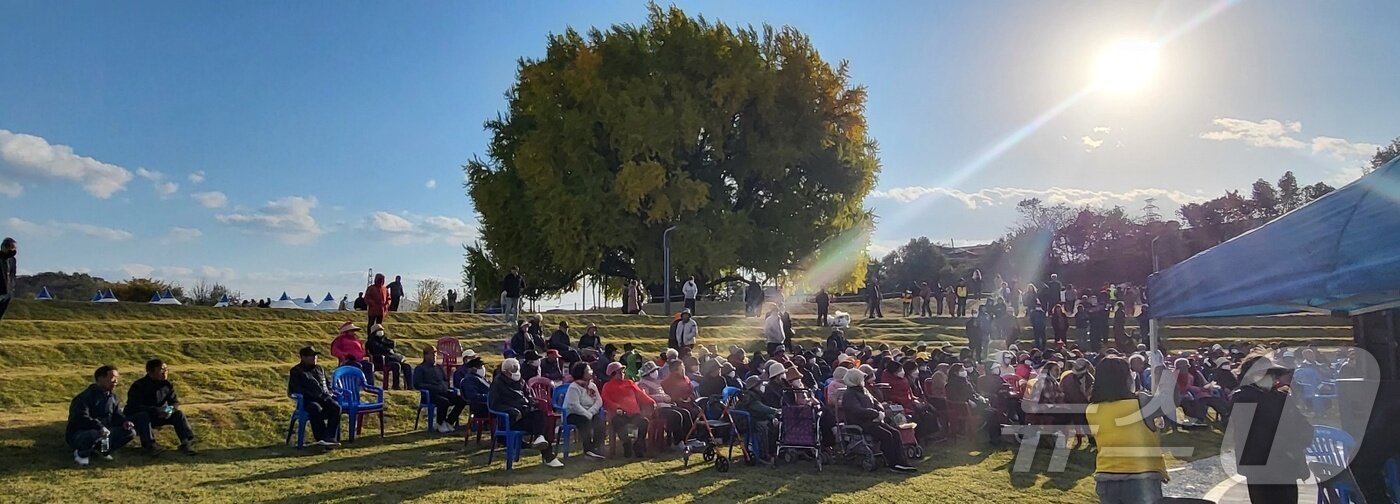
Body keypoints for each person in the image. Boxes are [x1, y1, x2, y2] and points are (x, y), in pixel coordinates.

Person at [1230, 355, 1311, 504]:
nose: (1275, 379)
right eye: (1270, 374)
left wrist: (1295, 446)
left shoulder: (1280, 397)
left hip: (1286, 465)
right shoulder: (1244, 398)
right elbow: (1253, 435)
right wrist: (1286, 447)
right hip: (1261, 468)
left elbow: (1304, 427)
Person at [1086, 356, 1167, 504]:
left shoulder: (1091, 409)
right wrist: (1161, 372)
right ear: (1126, 378)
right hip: (1142, 476)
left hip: (1106, 475)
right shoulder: (1140, 402)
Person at [488, 358, 563, 468]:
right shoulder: (497, 384)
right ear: (505, 371)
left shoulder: (521, 381)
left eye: (516, 368)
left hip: (525, 414)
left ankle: (541, 440)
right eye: (512, 369)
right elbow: (494, 405)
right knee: (541, 426)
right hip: (510, 420)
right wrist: (511, 411)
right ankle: (549, 456)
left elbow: (528, 396)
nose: (515, 371)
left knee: (541, 416)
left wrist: (532, 403)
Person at [840, 368, 916, 472]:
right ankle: (893, 463)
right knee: (886, 435)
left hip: (874, 421)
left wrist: (880, 411)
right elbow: (857, 411)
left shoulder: (864, 390)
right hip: (861, 423)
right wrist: (875, 414)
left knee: (895, 432)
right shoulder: (849, 394)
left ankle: (902, 461)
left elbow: (876, 403)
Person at [124, 359, 197, 456]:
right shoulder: (139, 385)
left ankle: (186, 443)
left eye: (166, 369)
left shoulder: (167, 385)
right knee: (143, 416)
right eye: (161, 369)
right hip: (141, 416)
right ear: (150, 372)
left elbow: (174, 403)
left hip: (160, 414)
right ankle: (150, 446)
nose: (165, 372)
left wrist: (168, 411)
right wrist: (156, 411)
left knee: (178, 414)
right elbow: (134, 406)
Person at [67, 365, 135, 465]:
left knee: (130, 432)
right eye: (112, 378)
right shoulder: (84, 397)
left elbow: (117, 414)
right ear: (100, 378)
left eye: (117, 378)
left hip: (105, 432)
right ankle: (81, 454)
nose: (115, 381)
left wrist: (125, 422)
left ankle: (103, 451)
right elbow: (82, 418)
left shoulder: (112, 397)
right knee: (94, 434)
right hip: (81, 433)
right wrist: (99, 427)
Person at [287, 346, 341, 447]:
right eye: (311, 356)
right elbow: (295, 389)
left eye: (315, 356)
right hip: (308, 400)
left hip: (324, 397)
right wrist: (311, 394)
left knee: (336, 407)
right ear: (303, 357)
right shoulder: (296, 371)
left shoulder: (319, 368)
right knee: (316, 408)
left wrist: (329, 392)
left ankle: (330, 437)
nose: (314, 358)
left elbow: (328, 384)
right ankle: (321, 437)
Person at [601, 361, 654, 458]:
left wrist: (651, 402)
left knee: (644, 422)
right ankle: (627, 444)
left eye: (622, 372)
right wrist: (616, 407)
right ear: (612, 374)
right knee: (618, 422)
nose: (622, 374)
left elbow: (641, 395)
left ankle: (638, 444)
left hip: (634, 414)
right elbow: (606, 400)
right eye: (619, 372)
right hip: (620, 414)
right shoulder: (607, 386)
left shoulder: (629, 383)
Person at [414, 347, 467, 433]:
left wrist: (446, 387)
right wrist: (433, 387)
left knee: (462, 399)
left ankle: (449, 421)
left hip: (443, 391)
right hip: (430, 395)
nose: (434, 356)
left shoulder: (438, 367)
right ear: (425, 355)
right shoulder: (420, 368)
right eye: (432, 354)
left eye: (435, 354)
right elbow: (417, 384)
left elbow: (445, 379)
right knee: (444, 402)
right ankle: (440, 423)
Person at [563, 362, 608, 459]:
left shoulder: (592, 386)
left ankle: (595, 447)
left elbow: (599, 401)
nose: (591, 372)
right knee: (584, 422)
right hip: (574, 414)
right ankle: (588, 451)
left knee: (599, 422)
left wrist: (591, 412)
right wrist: (586, 414)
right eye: (588, 370)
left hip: (589, 413)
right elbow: (574, 405)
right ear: (581, 373)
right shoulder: (574, 387)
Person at [366, 324, 412, 390]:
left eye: (381, 330)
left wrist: (385, 345)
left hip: (390, 358)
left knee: (407, 366)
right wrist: (388, 348)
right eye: (379, 330)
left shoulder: (383, 339)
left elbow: (392, 344)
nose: (381, 331)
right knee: (396, 365)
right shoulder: (371, 341)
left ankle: (410, 386)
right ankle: (395, 386)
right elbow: (378, 349)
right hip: (380, 361)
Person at [329, 322, 375, 386]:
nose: (353, 332)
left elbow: (361, 350)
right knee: (357, 366)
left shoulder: (356, 339)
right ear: (347, 331)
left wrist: (365, 354)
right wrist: (346, 355)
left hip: (360, 359)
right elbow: (334, 351)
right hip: (347, 360)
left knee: (369, 365)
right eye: (352, 330)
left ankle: (369, 385)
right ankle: (358, 384)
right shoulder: (340, 339)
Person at [0, 237, 15, 321]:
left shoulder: (12, 260)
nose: (13, 250)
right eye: (11, 247)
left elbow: (12, 275)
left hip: (7, 294)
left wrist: (11, 290)